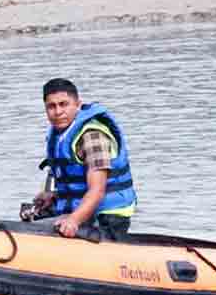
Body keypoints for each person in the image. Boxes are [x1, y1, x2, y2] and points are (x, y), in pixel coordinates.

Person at [31, 78, 137, 239]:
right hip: (80, 209)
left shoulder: (92, 137)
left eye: (63, 104)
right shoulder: (59, 134)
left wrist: (73, 220)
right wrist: (51, 195)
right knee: (32, 220)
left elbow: (97, 190)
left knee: (45, 232)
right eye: (51, 106)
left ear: (78, 105)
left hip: (107, 217)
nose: (58, 112)